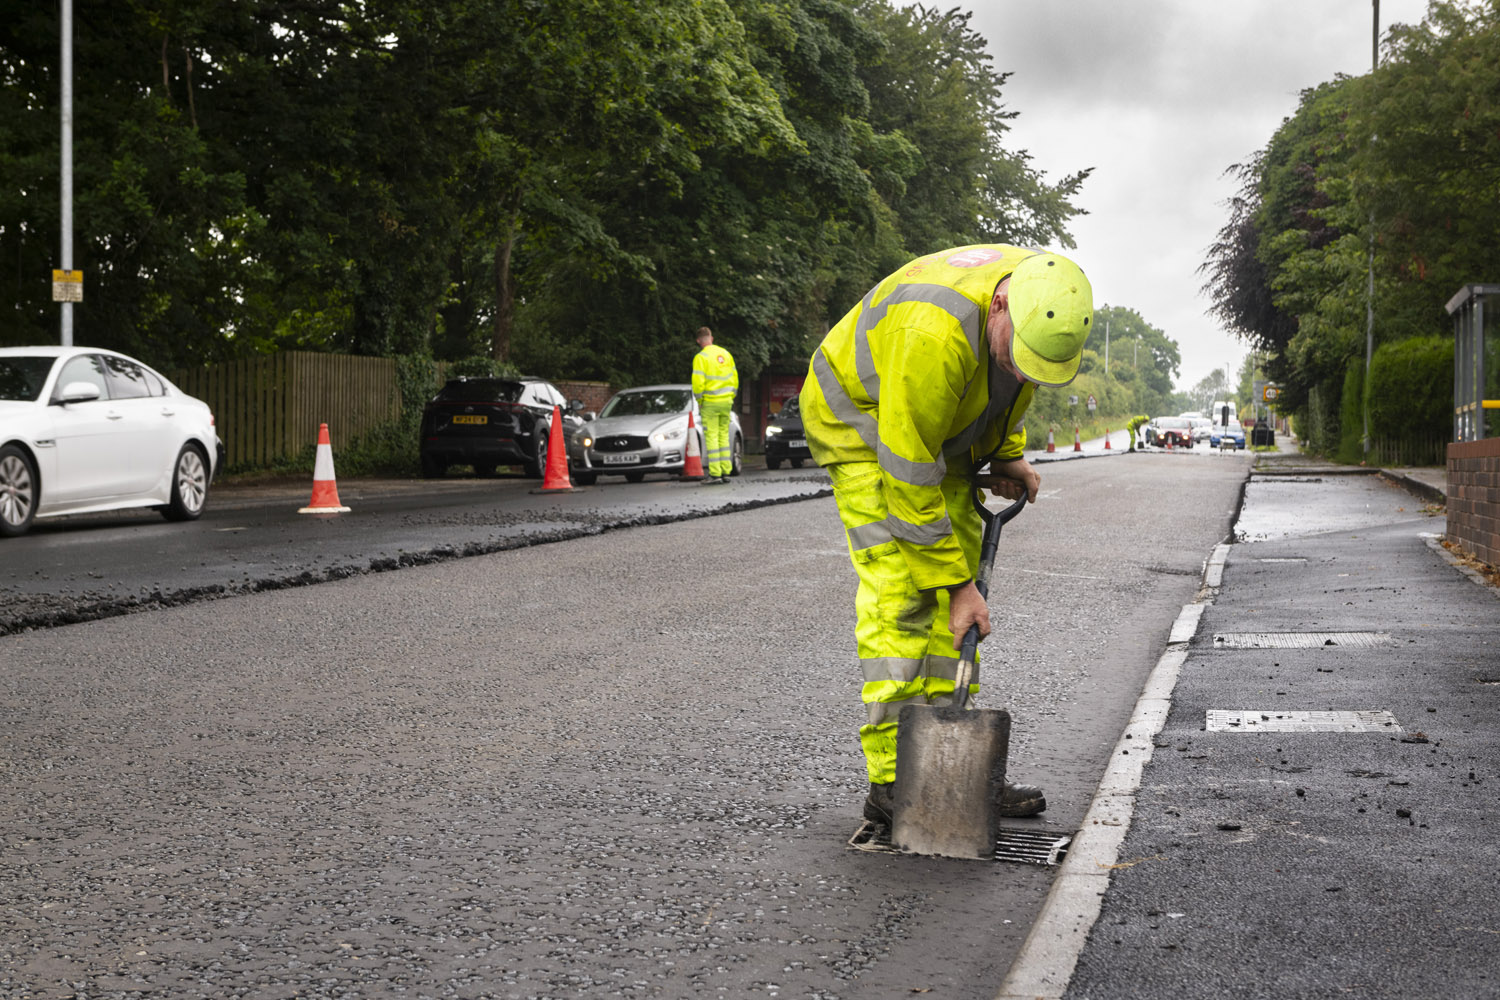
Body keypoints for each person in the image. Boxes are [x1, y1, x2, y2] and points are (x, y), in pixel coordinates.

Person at [799, 245, 1093, 825]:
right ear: (1000, 304)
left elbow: (1008, 382)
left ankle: (951, 763)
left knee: (952, 604)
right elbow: (907, 473)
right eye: (1018, 352)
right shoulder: (934, 333)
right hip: (863, 428)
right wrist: (959, 585)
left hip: (938, 429)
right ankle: (893, 779)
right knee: (907, 592)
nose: (1019, 367)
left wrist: (1007, 454)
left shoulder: (1044, 294)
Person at [691, 326, 738, 484]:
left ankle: (715, 474)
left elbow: (698, 384)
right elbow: (735, 379)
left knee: (711, 437)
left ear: (699, 341)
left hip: (710, 403)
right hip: (726, 403)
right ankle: (726, 471)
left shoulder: (701, 357)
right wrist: (731, 396)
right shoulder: (726, 354)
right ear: (711, 338)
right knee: (723, 436)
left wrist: (700, 401)